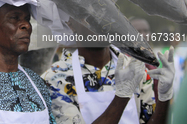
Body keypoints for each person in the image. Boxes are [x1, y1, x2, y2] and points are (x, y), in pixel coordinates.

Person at [41, 18, 175, 124]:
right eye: (89, 17)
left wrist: (164, 98)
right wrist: (121, 98)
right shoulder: (55, 79)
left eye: (104, 15)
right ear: (71, 24)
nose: (99, 23)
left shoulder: (135, 68)